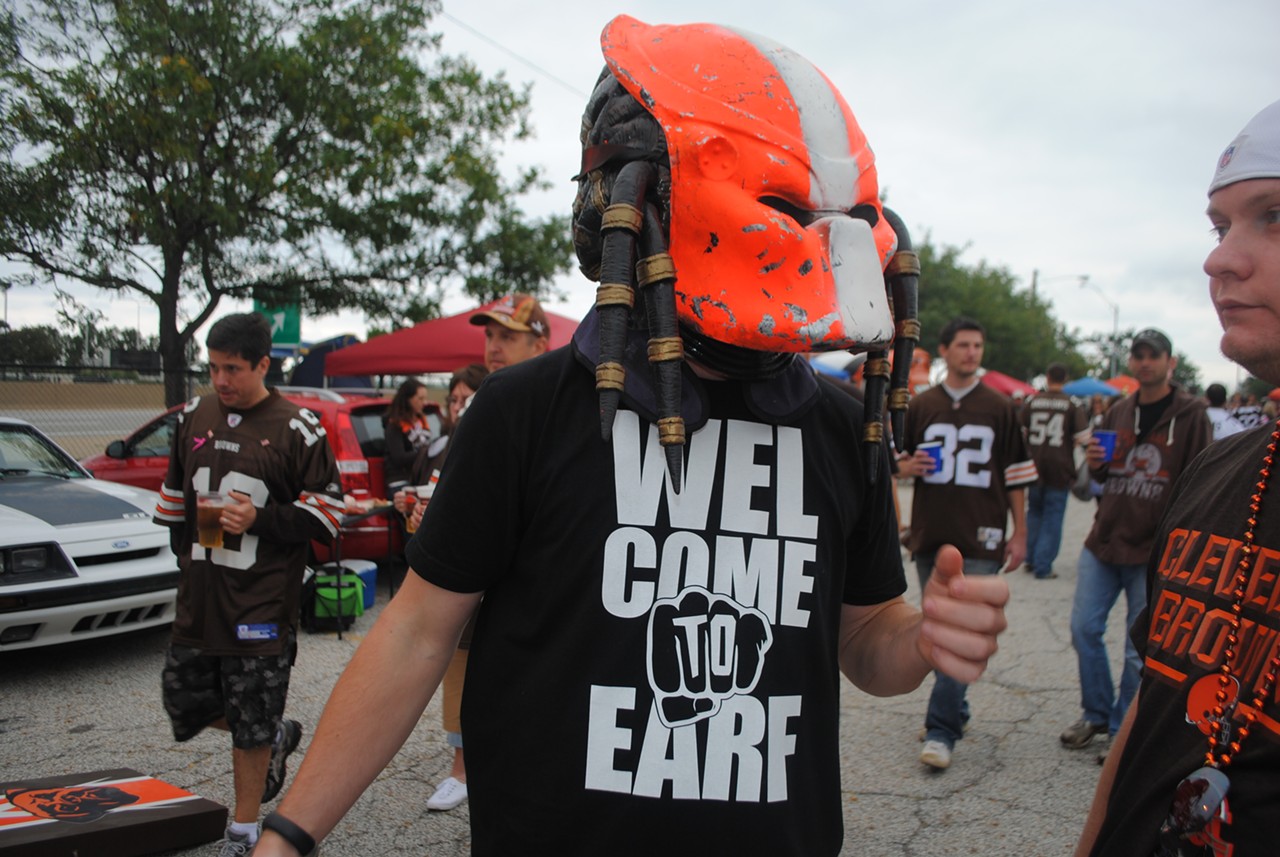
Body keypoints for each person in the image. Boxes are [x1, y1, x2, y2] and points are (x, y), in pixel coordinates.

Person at [254, 18, 1010, 857]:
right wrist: (288, 833)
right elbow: (416, 632)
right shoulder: (526, 411)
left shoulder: (840, 426)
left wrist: (923, 639)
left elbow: (866, 638)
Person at [1075, 97, 1280, 857]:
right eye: (1220, 226)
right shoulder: (1228, 466)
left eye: (1274, 216)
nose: (1218, 259)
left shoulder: (1197, 425)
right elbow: (1154, 710)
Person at [152, 312, 342, 857]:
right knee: (182, 699)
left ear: (263, 364)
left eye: (232, 369)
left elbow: (328, 517)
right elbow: (174, 507)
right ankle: (275, 737)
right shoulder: (195, 415)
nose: (221, 381)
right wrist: (192, 568)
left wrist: (258, 520)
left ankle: (244, 828)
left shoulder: (297, 426)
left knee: (250, 718)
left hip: (261, 602)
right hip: (203, 598)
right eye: (212, 368)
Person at [1059, 327, 1211, 762]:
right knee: (1084, 629)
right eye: (1139, 355)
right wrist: (1095, 465)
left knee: (1136, 646)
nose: (1145, 362)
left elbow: (1202, 477)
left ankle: (1124, 731)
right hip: (1105, 540)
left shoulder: (1192, 413)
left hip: (1156, 549)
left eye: (1154, 355)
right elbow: (1102, 479)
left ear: (1170, 362)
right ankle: (1096, 714)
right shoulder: (1118, 411)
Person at [901, 316, 1036, 771]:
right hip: (932, 532)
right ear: (945, 350)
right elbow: (898, 463)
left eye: (978, 345)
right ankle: (955, 708)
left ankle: (941, 729)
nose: (972, 353)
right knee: (940, 629)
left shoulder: (1000, 406)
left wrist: (1020, 532)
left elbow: (1016, 476)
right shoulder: (922, 405)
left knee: (959, 636)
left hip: (982, 533)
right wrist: (908, 467)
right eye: (963, 345)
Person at [1021, 363, 1091, 579]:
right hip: (1060, 468)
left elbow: (1021, 433)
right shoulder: (1071, 404)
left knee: (1033, 513)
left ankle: (1030, 558)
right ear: (1065, 378)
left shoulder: (1032, 402)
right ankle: (1043, 565)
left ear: (1048, 376)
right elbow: (1083, 438)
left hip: (1034, 466)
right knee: (1053, 517)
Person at [381, 378, 438, 497]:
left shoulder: (422, 422)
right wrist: (425, 452)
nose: (424, 402)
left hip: (420, 479)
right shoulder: (394, 425)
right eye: (420, 399)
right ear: (408, 400)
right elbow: (399, 458)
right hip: (400, 481)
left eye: (425, 398)